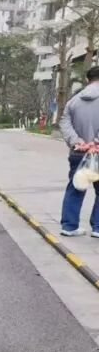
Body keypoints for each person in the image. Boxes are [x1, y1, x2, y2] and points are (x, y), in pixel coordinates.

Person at [59, 66, 99, 236]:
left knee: (76, 187)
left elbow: (64, 123)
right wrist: (95, 143)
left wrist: (77, 141)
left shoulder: (73, 101)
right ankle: (98, 227)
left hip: (78, 152)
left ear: (87, 80)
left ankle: (69, 226)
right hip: (97, 152)